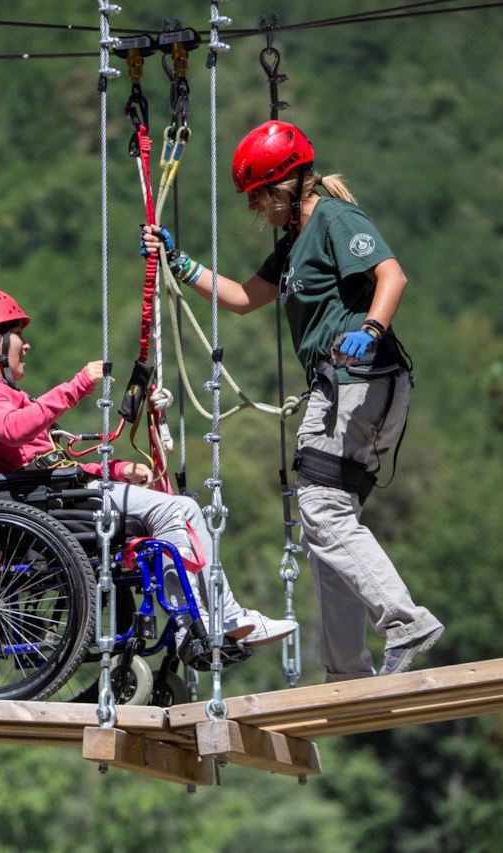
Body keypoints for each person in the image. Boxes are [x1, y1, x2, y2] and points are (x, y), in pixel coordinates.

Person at [142, 120, 444, 681]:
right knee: (331, 523)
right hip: (354, 386)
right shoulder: (291, 246)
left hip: (357, 378)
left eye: (259, 195)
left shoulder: (332, 217)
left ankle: (406, 621)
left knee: (322, 511)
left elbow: (392, 275)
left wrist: (372, 328)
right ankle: (347, 669)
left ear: (283, 185)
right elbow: (240, 298)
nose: (257, 207)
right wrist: (178, 264)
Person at [0, 286, 296, 665]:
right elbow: (12, 430)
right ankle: (209, 619)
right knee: (179, 511)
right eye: (18, 336)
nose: (26, 346)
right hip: (50, 504)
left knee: (172, 509)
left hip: (54, 495)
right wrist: (76, 387)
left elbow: (51, 463)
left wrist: (118, 469)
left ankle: (195, 620)